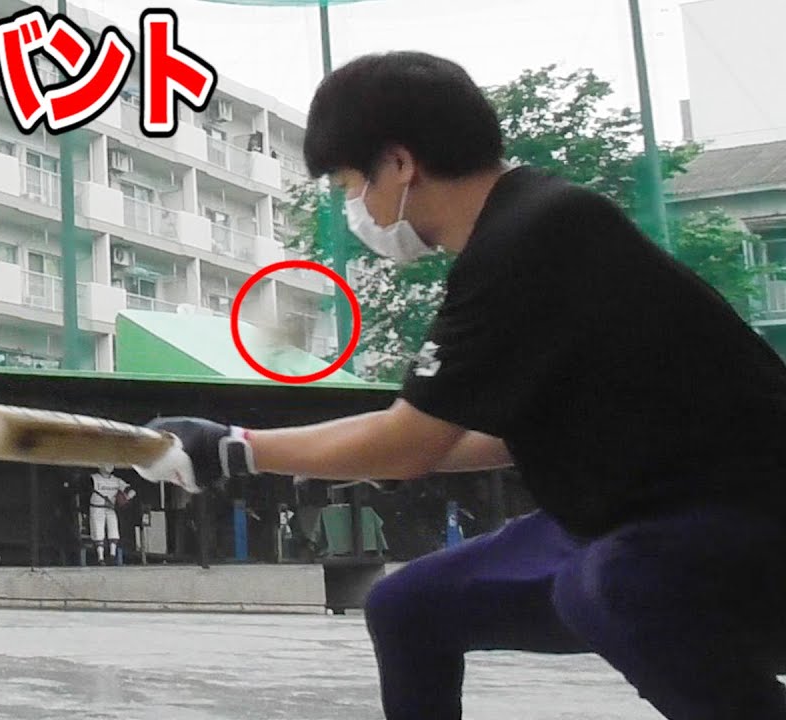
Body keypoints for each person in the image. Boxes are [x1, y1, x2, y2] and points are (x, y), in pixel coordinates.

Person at [134, 50, 786, 720]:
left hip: (746, 522)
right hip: (636, 523)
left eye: (351, 184)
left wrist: (233, 448)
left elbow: (407, 443)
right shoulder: (524, 230)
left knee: (611, 585)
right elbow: (467, 438)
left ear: (398, 163)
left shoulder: (536, 235)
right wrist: (323, 455)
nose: (355, 208)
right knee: (409, 606)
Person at [89, 464, 135, 566]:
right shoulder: (94, 478)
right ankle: (100, 557)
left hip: (110, 508)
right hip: (97, 508)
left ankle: (112, 555)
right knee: (98, 531)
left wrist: (127, 497)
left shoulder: (116, 480)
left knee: (113, 530)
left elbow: (130, 490)